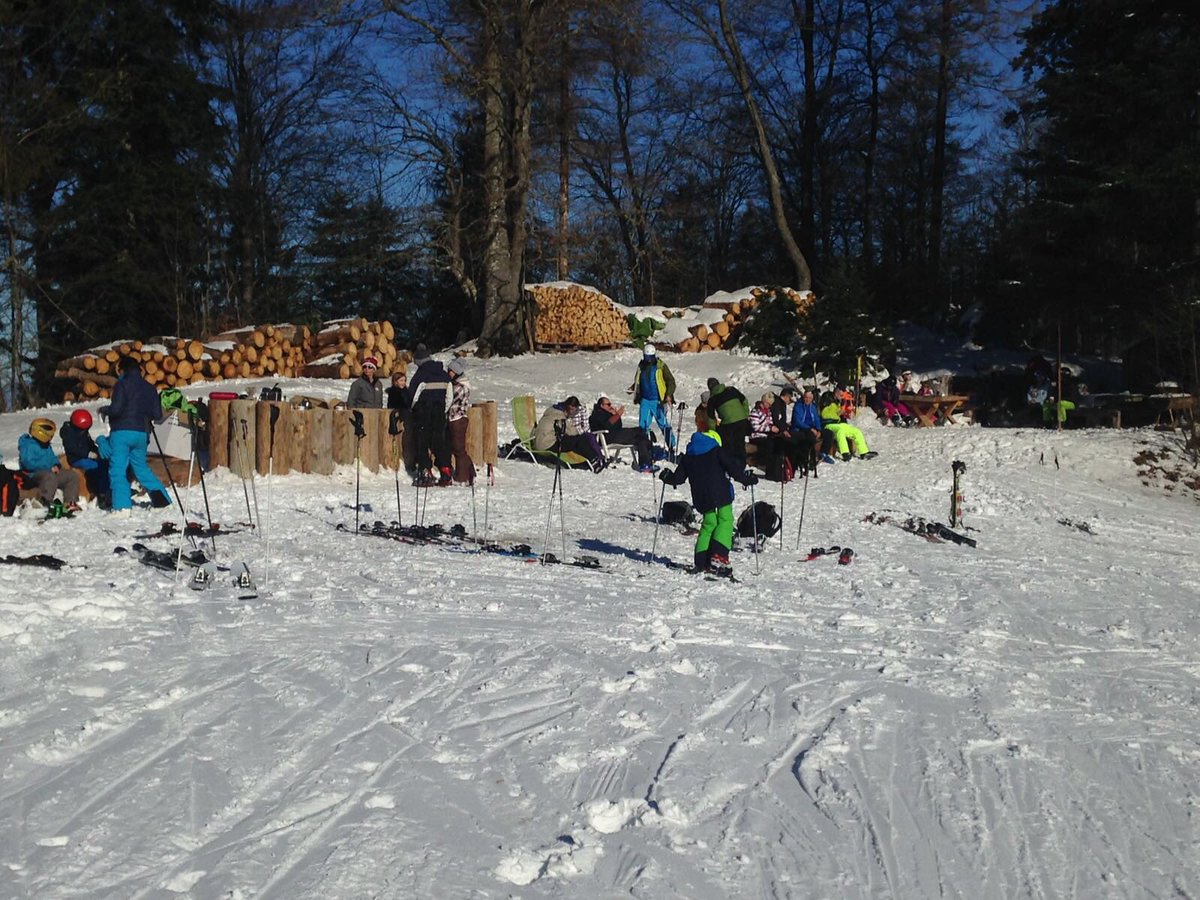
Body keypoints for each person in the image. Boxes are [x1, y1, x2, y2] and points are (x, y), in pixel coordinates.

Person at [659, 407, 757, 576]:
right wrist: (748, 478)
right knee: (725, 520)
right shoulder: (716, 451)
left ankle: (701, 562)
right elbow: (734, 470)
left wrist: (667, 477)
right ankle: (718, 557)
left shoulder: (689, 455)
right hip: (720, 493)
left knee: (709, 523)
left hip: (701, 498)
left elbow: (678, 478)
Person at [100, 355, 171, 516]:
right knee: (141, 468)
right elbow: (157, 414)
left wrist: (106, 410)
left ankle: (122, 507)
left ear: (122, 370)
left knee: (118, 470)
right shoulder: (149, 387)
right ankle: (162, 501)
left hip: (122, 433)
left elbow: (116, 410)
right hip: (141, 433)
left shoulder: (122, 385)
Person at [405, 343, 453, 486]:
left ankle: (426, 472)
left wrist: (414, 409)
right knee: (439, 441)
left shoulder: (421, 375)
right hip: (439, 412)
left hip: (423, 412)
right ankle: (446, 471)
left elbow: (413, 396)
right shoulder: (444, 375)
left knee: (422, 441)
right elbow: (449, 396)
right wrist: (443, 410)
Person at [18, 418, 81, 511]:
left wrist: (56, 464)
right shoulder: (29, 445)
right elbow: (28, 463)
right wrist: (48, 467)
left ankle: (70, 502)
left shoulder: (46, 445)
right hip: (32, 475)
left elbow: (52, 458)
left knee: (71, 475)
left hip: (49, 473)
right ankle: (45, 502)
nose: (51, 435)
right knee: (49, 477)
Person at [532, 396, 602, 468]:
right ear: (569, 408)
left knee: (569, 440)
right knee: (578, 440)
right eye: (574, 411)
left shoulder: (551, 411)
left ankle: (585, 460)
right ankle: (594, 460)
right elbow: (572, 431)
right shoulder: (560, 416)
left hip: (538, 442)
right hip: (547, 445)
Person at [60, 409, 112, 507]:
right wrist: (88, 454)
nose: (85, 431)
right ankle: (102, 494)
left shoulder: (83, 432)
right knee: (97, 467)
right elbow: (72, 449)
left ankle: (111, 488)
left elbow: (90, 443)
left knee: (105, 464)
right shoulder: (68, 433)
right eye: (83, 429)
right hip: (76, 459)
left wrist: (97, 451)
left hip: (87, 457)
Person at [589, 396, 655, 471]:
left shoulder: (608, 413)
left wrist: (615, 415)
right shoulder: (597, 414)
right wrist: (617, 415)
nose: (610, 406)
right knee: (638, 431)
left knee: (640, 439)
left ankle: (645, 464)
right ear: (601, 405)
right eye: (608, 404)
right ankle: (651, 445)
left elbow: (619, 426)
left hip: (615, 435)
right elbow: (606, 425)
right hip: (605, 437)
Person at [632, 344, 676, 456]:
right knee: (643, 424)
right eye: (646, 357)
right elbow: (638, 379)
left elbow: (671, 381)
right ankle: (644, 446)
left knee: (663, 424)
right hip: (645, 400)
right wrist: (634, 388)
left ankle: (671, 445)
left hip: (657, 400)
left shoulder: (660, 366)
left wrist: (668, 394)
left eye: (649, 358)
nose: (648, 360)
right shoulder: (641, 365)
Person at [819, 390, 876, 461]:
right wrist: (838, 413)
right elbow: (825, 416)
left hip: (838, 424)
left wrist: (842, 414)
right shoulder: (826, 408)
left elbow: (840, 414)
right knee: (841, 431)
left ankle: (864, 452)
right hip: (828, 425)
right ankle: (845, 453)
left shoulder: (837, 406)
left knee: (856, 431)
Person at [445, 358, 476, 485]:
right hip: (455, 418)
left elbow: (450, 399)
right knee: (456, 448)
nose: (448, 373)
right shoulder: (456, 384)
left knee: (459, 449)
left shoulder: (460, 386)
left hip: (458, 418)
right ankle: (469, 472)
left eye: (451, 371)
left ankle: (462, 476)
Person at [706, 377, 751, 461]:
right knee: (740, 444)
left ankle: (731, 465)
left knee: (728, 445)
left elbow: (711, 417)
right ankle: (741, 465)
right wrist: (745, 414)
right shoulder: (732, 390)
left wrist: (713, 431)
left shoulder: (712, 399)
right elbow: (744, 400)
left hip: (728, 425)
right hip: (742, 421)